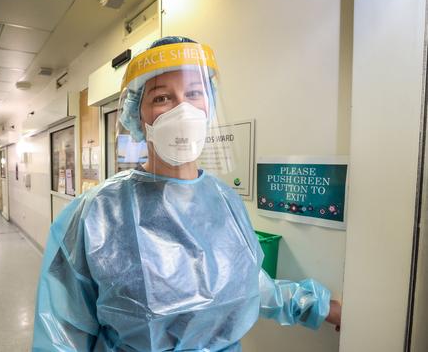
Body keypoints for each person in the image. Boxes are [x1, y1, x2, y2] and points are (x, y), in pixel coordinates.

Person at [32, 37, 341, 351]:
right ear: (137, 114)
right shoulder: (96, 214)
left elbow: (248, 286)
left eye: (194, 94)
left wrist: (319, 306)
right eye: (163, 97)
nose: (183, 110)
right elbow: (61, 330)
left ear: (209, 105)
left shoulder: (226, 203)